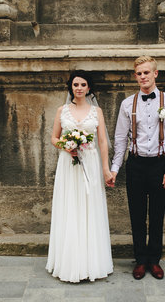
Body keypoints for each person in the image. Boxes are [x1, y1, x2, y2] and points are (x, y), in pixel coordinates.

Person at [109, 56, 165, 280]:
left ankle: (155, 260)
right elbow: (120, 139)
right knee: (137, 215)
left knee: (157, 215)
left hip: (160, 164)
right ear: (135, 76)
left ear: (155, 74)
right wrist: (115, 169)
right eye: (139, 73)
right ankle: (140, 260)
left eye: (146, 72)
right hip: (136, 164)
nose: (143, 76)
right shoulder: (126, 104)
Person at [46, 71, 114, 283]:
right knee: (70, 207)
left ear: (89, 88)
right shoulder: (62, 110)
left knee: (89, 208)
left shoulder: (97, 112)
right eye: (75, 84)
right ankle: (68, 262)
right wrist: (66, 146)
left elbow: (102, 141)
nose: (79, 88)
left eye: (83, 84)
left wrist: (106, 169)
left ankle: (92, 262)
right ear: (71, 87)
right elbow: (53, 138)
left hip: (91, 163)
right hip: (69, 164)